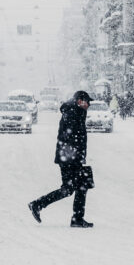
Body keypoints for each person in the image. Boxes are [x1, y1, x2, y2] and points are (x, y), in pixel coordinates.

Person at [28, 91, 94, 228]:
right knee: (71, 188)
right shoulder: (72, 112)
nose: (89, 105)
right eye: (87, 102)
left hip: (71, 157)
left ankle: (77, 218)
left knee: (81, 185)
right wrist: (74, 157)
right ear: (80, 101)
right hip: (69, 158)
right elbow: (69, 137)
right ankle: (38, 204)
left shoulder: (75, 111)